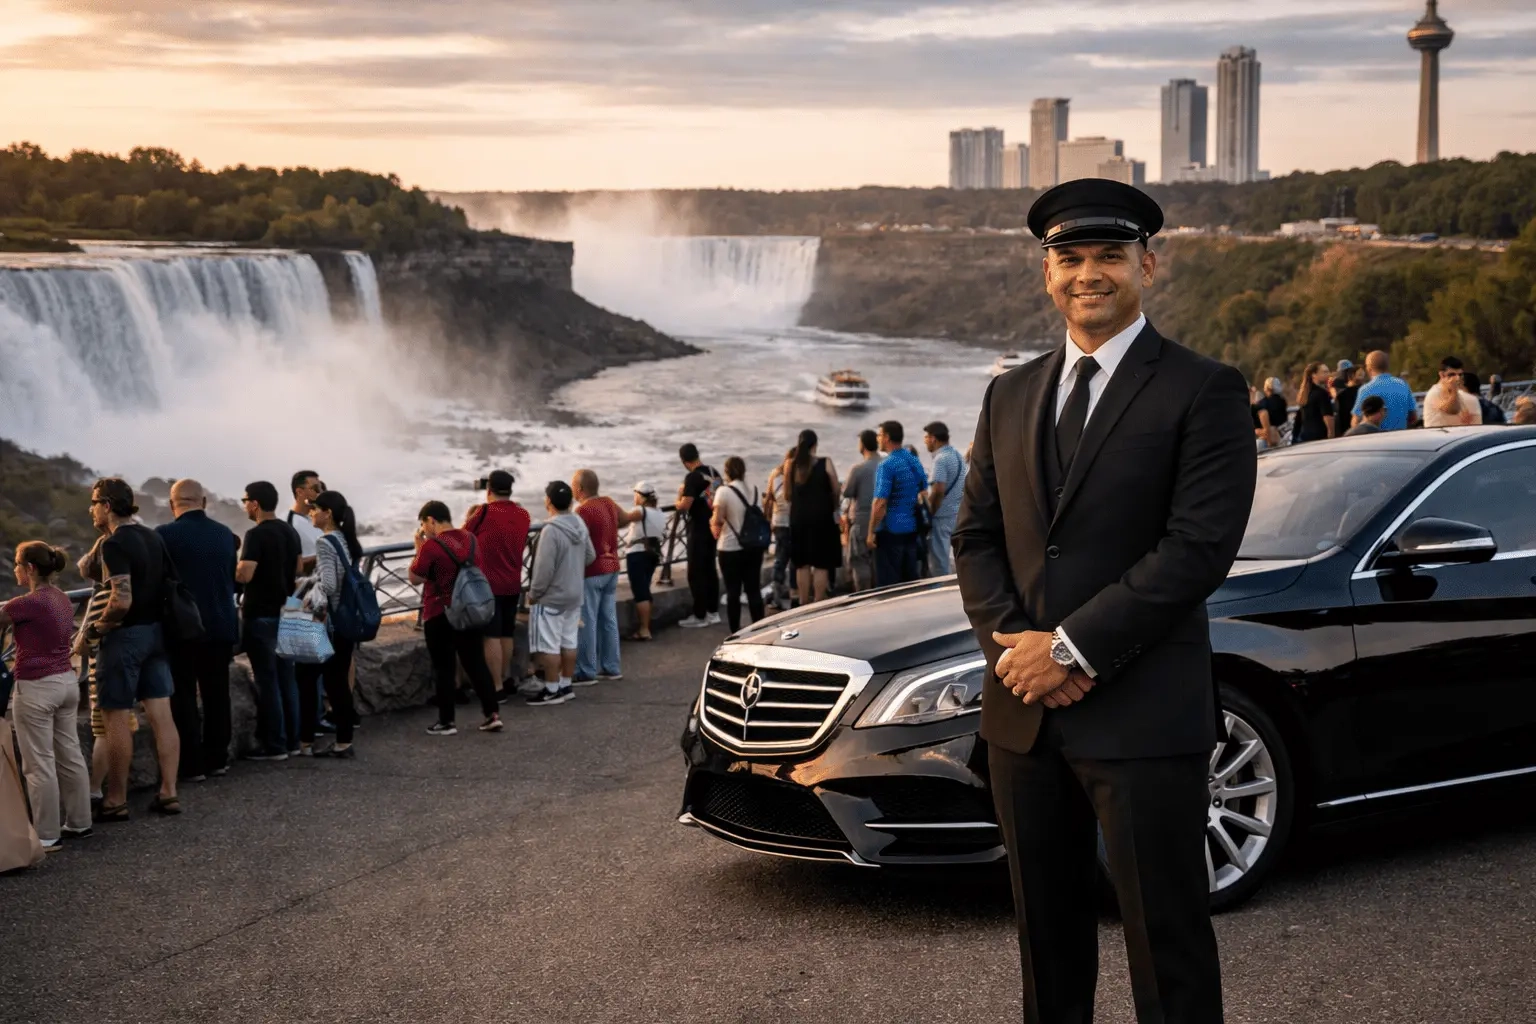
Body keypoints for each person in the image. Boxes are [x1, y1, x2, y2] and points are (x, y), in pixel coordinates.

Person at [956, 179, 1254, 1023]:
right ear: (1046, 274)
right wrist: (1021, 651)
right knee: (1046, 951)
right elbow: (976, 538)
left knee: (1167, 949)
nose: (1089, 273)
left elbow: (1197, 550)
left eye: (1110, 257)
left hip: (1146, 718)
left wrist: (1070, 650)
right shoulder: (1008, 393)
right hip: (1024, 717)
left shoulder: (1204, 390)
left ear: (1148, 267)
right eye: (1070, 257)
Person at [90, 477, 182, 818]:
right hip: (158, 634)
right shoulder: (152, 536)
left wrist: (97, 629)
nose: (91, 509)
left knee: (115, 714)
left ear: (107, 506)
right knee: (162, 715)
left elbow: (121, 599)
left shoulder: (114, 545)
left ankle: (115, 799)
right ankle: (169, 792)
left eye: (94, 503)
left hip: (126, 636)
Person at [1, 542, 92, 848]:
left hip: (37, 687)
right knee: (70, 755)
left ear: (30, 569)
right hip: (66, 682)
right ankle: (80, 823)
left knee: (38, 764)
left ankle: (46, 835)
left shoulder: (25, 604)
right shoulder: (63, 600)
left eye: (17, 564)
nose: (15, 569)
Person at [156, 479, 239, 782]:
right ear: (203, 501)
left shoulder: (163, 536)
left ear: (172, 504)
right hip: (221, 624)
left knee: (184, 697)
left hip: (182, 628)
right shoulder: (225, 535)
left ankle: (191, 765)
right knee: (218, 694)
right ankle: (218, 758)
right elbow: (231, 578)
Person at [408, 501, 503, 735]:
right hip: (468, 609)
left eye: (424, 524)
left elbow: (415, 577)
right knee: (475, 663)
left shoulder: (431, 546)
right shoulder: (470, 539)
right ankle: (492, 714)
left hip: (440, 612)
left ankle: (446, 722)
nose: (424, 528)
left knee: (444, 668)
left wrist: (418, 548)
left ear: (431, 520)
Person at [237, 480, 303, 761]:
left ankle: (275, 745)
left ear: (254, 503)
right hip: (287, 611)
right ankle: (293, 741)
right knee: (288, 678)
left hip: (261, 615)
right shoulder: (290, 531)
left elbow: (245, 575)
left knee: (268, 681)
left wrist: (234, 567)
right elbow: (299, 568)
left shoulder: (255, 535)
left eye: (245, 500)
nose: (244, 506)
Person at [301, 491, 363, 757]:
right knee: (337, 682)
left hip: (328, 623)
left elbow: (328, 583)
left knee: (305, 678)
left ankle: (305, 742)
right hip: (345, 621)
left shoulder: (326, 541)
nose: (311, 513)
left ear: (327, 513)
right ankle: (343, 741)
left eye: (315, 509)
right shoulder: (345, 539)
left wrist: (305, 586)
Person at [525, 481, 596, 707]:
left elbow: (543, 570)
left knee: (549, 645)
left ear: (548, 502)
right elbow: (590, 555)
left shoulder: (551, 531)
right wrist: (572, 568)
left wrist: (534, 594)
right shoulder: (579, 524)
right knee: (568, 641)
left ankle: (551, 689)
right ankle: (566, 685)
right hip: (575, 594)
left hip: (552, 597)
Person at [464, 470, 531, 698]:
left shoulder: (483, 513)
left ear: (489, 490)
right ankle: (505, 677)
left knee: (491, 636)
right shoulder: (523, 514)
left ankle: (495, 687)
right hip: (513, 581)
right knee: (506, 633)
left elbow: (463, 538)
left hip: (488, 585)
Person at [573, 469, 623, 684]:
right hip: (612, 566)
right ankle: (612, 667)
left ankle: (586, 670)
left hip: (592, 571)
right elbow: (623, 519)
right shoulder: (609, 503)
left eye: (574, 486)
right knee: (608, 620)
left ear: (580, 489)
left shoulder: (582, 511)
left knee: (588, 621)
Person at [784, 429, 843, 605]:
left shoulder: (790, 465)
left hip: (798, 518)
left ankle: (803, 602)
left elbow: (787, 493)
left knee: (801, 564)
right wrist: (835, 505)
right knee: (821, 563)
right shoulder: (825, 463)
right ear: (815, 445)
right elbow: (836, 489)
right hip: (822, 518)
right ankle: (818, 602)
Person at [711, 456, 767, 632]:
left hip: (730, 548)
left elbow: (718, 520)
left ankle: (735, 632)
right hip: (753, 547)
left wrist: (712, 523)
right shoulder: (755, 489)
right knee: (753, 590)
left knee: (733, 592)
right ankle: (759, 628)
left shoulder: (723, 492)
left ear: (726, 472)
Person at [868, 421, 927, 587]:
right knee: (910, 582)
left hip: (890, 531)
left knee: (889, 586)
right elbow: (923, 489)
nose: (878, 438)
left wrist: (871, 531)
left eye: (879, 435)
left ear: (886, 438)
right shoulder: (913, 460)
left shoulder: (886, 465)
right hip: (912, 528)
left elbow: (880, 503)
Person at [676, 444, 721, 629]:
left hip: (698, 529)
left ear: (684, 461)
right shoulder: (713, 471)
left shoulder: (693, 476)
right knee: (710, 570)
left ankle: (700, 615)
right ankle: (713, 612)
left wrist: (678, 499)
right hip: (714, 527)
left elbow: (685, 505)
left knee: (695, 572)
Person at [622, 482, 667, 641]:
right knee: (645, 589)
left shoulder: (640, 511)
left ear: (641, 496)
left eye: (635, 494)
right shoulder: (659, 512)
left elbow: (622, 520)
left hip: (638, 554)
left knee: (640, 592)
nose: (634, 497)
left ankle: (644, 629)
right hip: (652, 554)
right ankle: (646, 626)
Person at [923, 421, 967, 575]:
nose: (925, 441)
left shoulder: (940, 459)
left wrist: (931, 511)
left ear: (934, 439)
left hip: (942, 517)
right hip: (957, 513)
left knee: (939, 562)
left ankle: (939, 590)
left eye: (926, 438)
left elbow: (938, 489)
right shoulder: (957, 456)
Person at [840, 430, 880, 592]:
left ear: (862, 445)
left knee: (859, 561)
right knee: (877, 561)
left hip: (862, 520)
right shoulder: (886, 464)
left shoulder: (858, 469)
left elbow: (847, 492)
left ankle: (864, 596)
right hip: (883, 519)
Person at [1352, 349, 1418, 431]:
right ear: (1387, 366)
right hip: (1402, 439)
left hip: (1376, 440)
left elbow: (1355, 422)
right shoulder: (1403, 385)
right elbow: (1413, 416)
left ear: (1369, 369)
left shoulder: (1365, 390)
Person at [763, 449, 796, 610]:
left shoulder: (775, 473)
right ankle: (788, 593)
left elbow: (768, 497)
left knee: (780, 558)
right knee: (791, 559)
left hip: (778, 521)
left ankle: (778, 593)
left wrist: (768, 519)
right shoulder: (797, 475)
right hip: (793, 522)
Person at [1422, 356, 1482, 427]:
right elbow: (1453, 410)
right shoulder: (1435, 392)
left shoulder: (1463, 395)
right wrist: (1454, 390)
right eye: (1451, 374)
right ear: (1442, 375)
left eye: (1460, 375)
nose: (1457, 378)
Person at [287, 470, 324, 574]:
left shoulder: (318, 521)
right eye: (316, 488)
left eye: (320, 488)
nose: (320, 492)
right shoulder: (287, 523)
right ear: (300, 492)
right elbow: (282, 564)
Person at [1294, 361, 1336, 443]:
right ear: (1314, 375)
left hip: (1305, 437)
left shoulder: (1305, 393)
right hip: (1320, 438)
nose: (1328, 374)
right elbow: (1328, 417)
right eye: (1324, 372)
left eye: (1328, 371)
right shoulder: (1321, 393)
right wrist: (1331, 436)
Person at [1331, 360, 1360, 432]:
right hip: (1343, 415)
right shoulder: (1336, 383)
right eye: (1345, 371)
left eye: (1349, 371)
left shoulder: (1353, 382)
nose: (1347, 373)